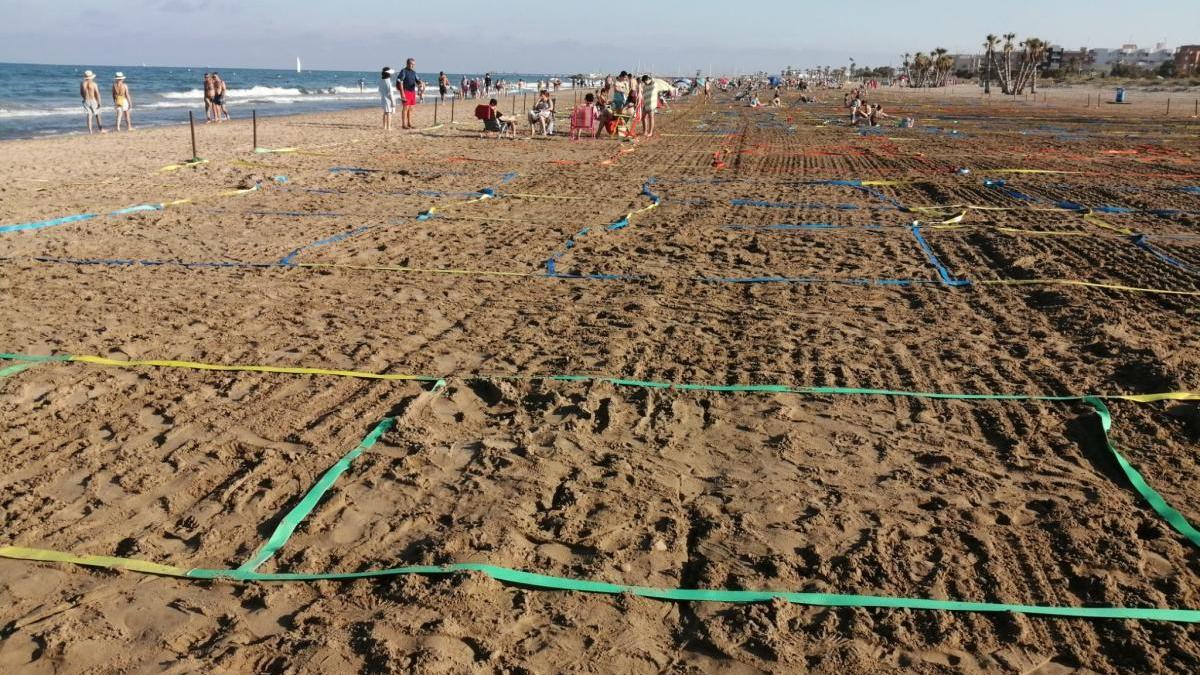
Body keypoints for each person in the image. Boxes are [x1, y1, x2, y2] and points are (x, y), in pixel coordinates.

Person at [397, 58, 419, 129]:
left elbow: (418, 80)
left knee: (410, 108)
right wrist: (402, 93)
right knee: (405, 108)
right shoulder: (403, 71)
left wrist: (420, 84)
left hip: (412, 91)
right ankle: (404, 124)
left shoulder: (414, 72)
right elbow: (399, 81)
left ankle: (409, 123)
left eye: (413, 64)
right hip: (405, 91)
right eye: (411, 64)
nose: (412, 66)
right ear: (407, 64)